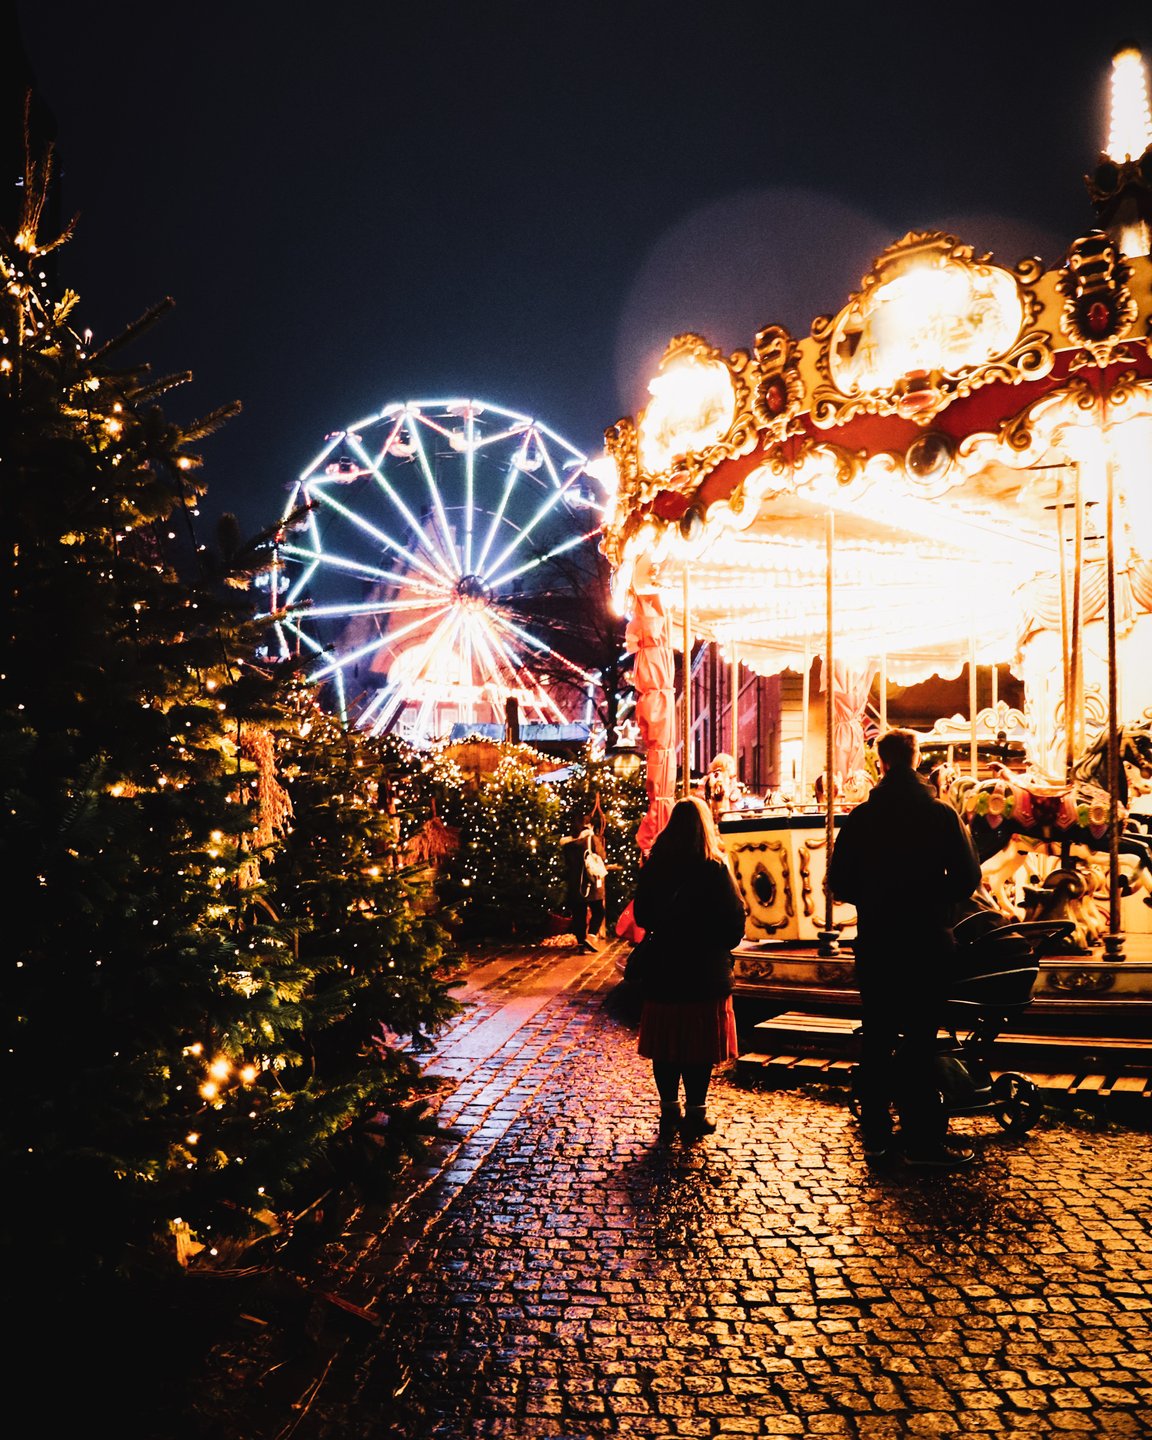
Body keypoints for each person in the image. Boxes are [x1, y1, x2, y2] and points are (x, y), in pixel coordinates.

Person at [828, 727, 983, 1170]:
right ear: (917, 759)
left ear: (881, 762)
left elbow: (839, 882)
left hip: (878, 942)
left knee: (877, 1037)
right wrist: (936, 901)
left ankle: (877, 1137)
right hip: (927, 942)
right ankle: (921, 1139)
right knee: (920, 1039)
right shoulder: (941, 813)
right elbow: (969, 877)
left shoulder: (862, 818)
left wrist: (875, 898)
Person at [631, 795, 747, 1139]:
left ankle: (669, 1110)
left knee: (666, 1044)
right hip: (704, 971)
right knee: (699, 1046)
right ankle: (697, 1112)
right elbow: (733, 925)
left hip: (663, 967)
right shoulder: (715, 869)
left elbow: (642, 915)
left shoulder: (656, 866)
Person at [561, 819, 607, 953]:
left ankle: (581, 943)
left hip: (575, 883)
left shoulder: (567, 844)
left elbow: (567, 863)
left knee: (579, 914)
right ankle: (591, 937)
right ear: (588, 825)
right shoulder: (591, 839)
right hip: (590, 881)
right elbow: (602, 855)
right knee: (598, 910)